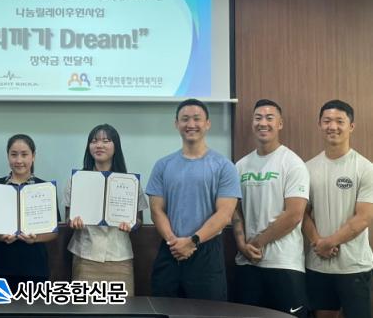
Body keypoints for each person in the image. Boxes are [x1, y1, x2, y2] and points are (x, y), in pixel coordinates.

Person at [146, 98, 241, 301]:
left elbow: (225, 214)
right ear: (176, 124)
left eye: (197, 119)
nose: (191, 124)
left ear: (207, 124)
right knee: (164, 309)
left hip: (206, 251)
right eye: (185, 119)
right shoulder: (163, 165)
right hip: (170, 249)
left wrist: (192, 241)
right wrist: (175, 242)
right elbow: (156, 210)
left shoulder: (224, 166)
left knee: (207, 313)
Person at [232, 99, 309, 316]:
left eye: (269, 118)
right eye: (258, 118)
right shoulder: (240, 166)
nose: (263, 123)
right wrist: (241, 245)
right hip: (247, 263)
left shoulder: (293, 163)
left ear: (280, 124)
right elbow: (234, 209)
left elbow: (294, 214)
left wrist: (257, 243)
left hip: (284, 263)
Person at [302, 100, 373, 318]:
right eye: (327, 121)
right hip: (318, 264)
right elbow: (302, 213)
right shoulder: (307, 168)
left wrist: (329, 242)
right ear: (319, 125)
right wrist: (318, 242)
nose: (332, 126)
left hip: (354, 265)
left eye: (339, 121)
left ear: (351, 126)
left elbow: (364, 217)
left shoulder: (365, 168)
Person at [64, 124, 148, 296]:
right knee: (84, 309)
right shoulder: (77, 180)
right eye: (94, 141)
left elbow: (139, 220)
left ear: (116, 146)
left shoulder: (129, 182)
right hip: (85, 257)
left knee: (122, 308)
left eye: (106, 141)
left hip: (120, 257)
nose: (99, 145)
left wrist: (132, 224)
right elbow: (67, 218)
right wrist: (73, 222)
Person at [0, 134, 59, 290]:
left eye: (24, 154)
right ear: (8, 156)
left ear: (33, 156)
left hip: (35, 268)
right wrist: (0, 236)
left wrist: (35, 239)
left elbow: (53, 232)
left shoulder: (45, 188)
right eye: (14, 155)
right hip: (0, 266)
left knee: (34, 307)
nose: (19, 160)